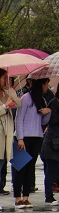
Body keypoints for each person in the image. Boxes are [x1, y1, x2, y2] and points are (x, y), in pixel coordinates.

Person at [14, 76, 51, 209]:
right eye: (46, 84)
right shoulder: (25, 98)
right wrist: (20, 138)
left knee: (30, 169)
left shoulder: (42, 100)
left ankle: (26, 197)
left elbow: (43, 121)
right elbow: (19, 119)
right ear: (41, 84)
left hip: (36, 137)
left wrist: (48, 112)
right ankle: (17, 197)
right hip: (23, 138)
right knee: (20, 168)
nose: (47, 87)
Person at [0, 69, 17, 198]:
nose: (6, 80)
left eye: (8, 78)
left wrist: (9, 90)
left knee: (2, 163)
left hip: (6, 135)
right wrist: (5, 106)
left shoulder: (6, 93)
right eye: (4, 78)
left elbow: (18, 103)